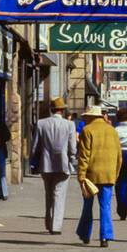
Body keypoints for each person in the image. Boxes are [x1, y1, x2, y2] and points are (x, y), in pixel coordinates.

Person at [30, 97, 78, 234]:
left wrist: (34, 158)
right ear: (62, 110)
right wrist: (72, 159)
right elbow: (72, 148)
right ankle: (55, 226)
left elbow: (35, 146)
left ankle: (48, 221)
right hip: (63, 163)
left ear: (51, 109)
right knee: (59, 194)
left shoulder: (41, 123)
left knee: (49, 193)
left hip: (45, 164)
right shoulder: (69, 125)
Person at [75, 105, 121, 248]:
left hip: (90, 175)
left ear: (91, 117)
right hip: (108, 175)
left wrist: (81, 175)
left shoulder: (87, 130)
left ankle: (84, 233)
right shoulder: (112, 131)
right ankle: (105, 237)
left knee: (87, 206)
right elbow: (119, 157)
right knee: (105, 206)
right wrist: (115, 174)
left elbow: (84, 155)